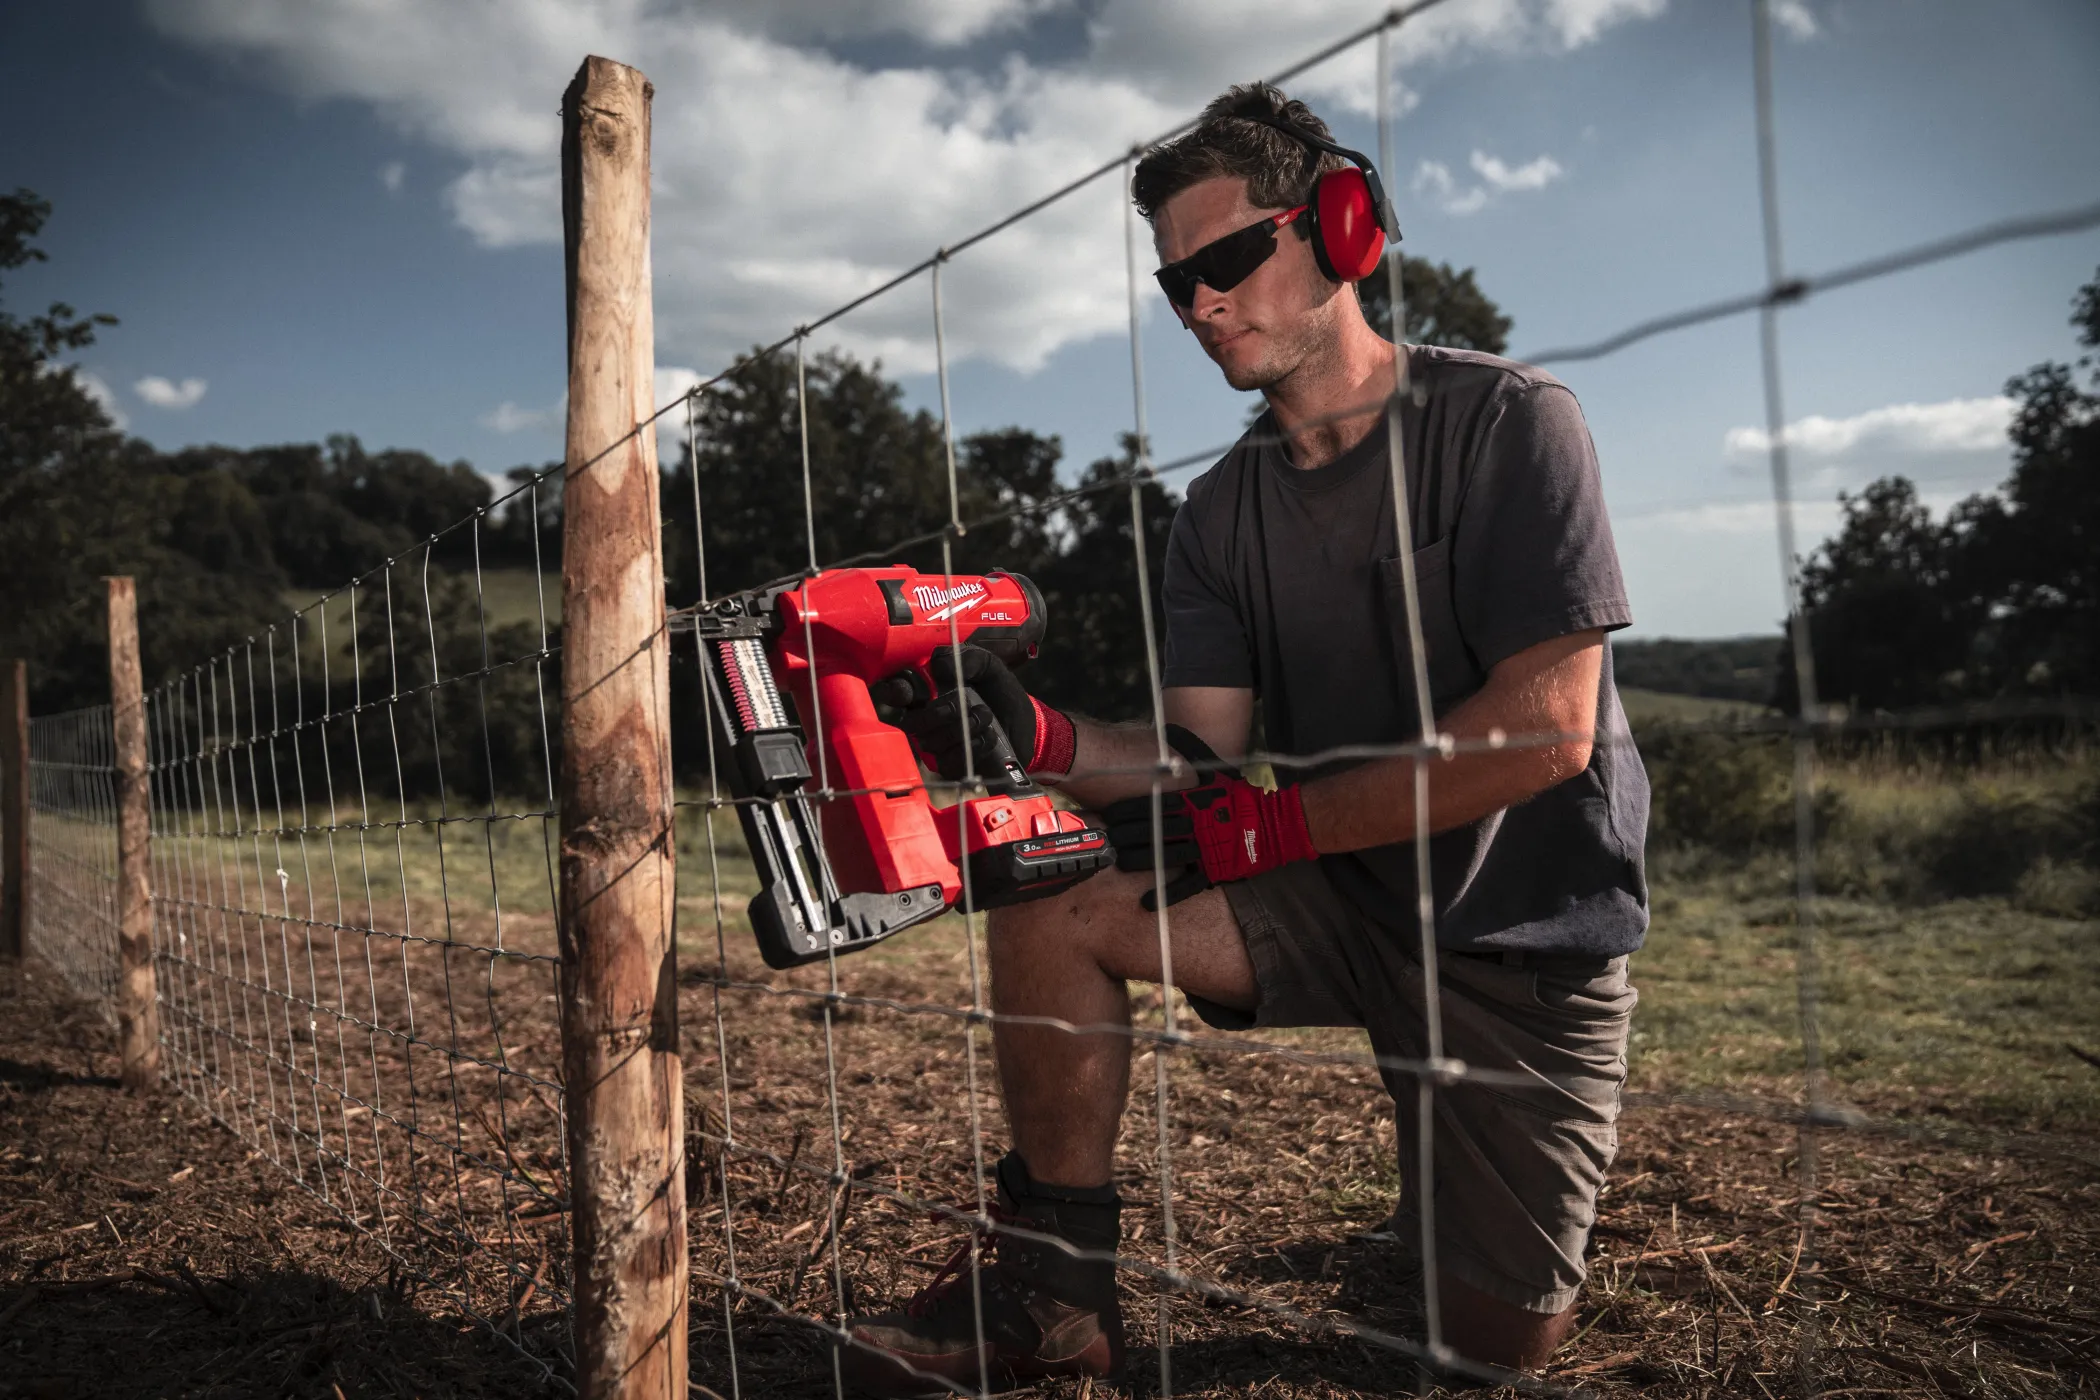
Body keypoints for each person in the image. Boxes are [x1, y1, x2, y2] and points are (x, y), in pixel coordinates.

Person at [843, 81, 1648, 1394]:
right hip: (1343, 898)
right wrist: (1032, 730)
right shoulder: (1217, 515)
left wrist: (1273, 827)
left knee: (1489, 1353)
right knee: (1050, 883)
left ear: (1341, 229)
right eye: (1177, 284)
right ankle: (1057, 1294)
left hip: (1521, 939)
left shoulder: (1510, 422)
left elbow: (1544, 736)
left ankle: (1449, 1210)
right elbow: (1195, 763)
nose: (1201, 304)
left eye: (1225, 261)